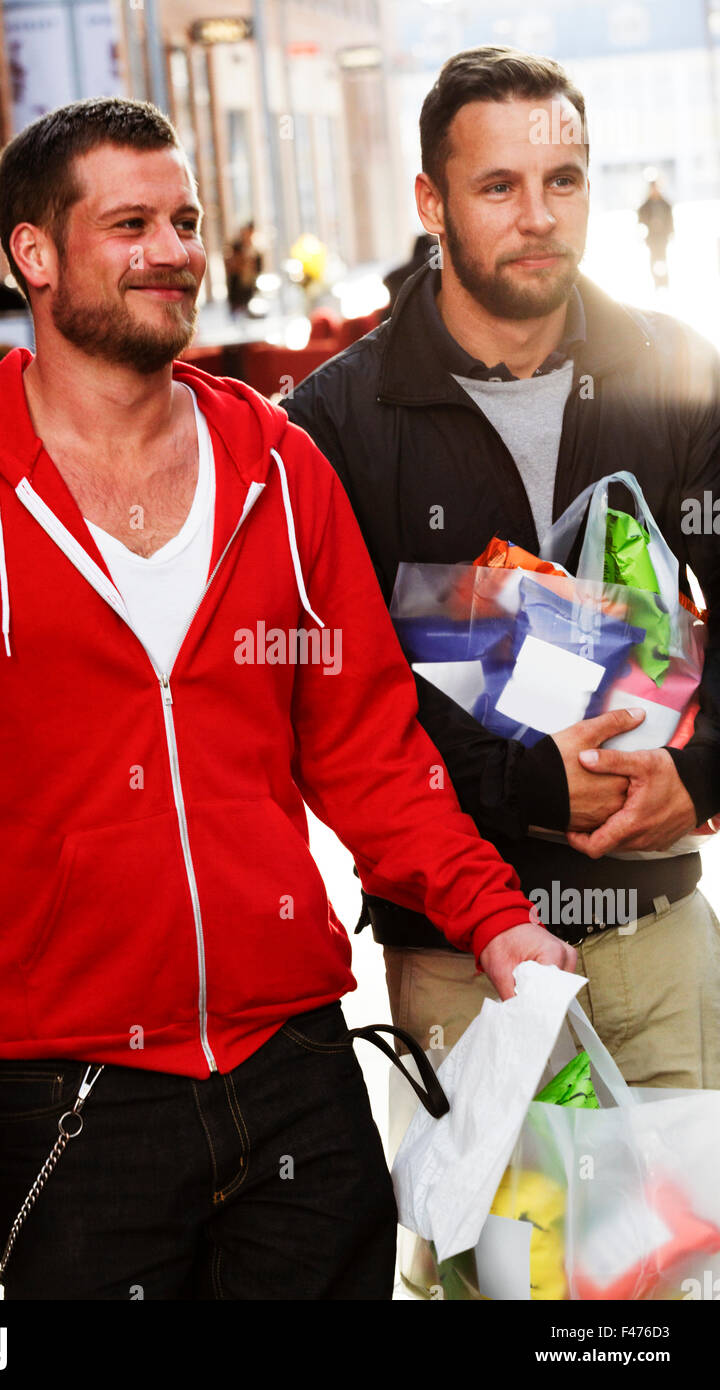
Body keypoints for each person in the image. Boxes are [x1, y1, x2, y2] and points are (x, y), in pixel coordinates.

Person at [0, 97, 571, 1302]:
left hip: (297, 1065)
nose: (175, 249)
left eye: (185, 219)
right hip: (74, 1097)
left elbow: (371, 754)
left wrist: (492, 915)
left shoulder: (281, 472)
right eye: (130, 222)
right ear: (34, 253)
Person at [287, 47, 720, 1117]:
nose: (538, 215)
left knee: (666, 1278)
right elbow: (333, 699)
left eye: (562, 181)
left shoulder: (676, 374)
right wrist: (517, 783)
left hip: (657, 937)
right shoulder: (333, 424)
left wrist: (704, 773)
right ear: (432, 201)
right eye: (500, 186)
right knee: (495, 1282)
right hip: (460, 965)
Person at [637, 179, 674, 290]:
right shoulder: (645, 206)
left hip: (663, 237)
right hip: (652, 237)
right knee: (654, 259)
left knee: (663, 259)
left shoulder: (665, 204)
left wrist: (670, 231)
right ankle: (657, 282)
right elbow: (640, 220)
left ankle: (664, 282)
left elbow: (670, 220)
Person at [224, 221, 262, 316]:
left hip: (249, 287)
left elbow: (258, 268)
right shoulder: (235, 247)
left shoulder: (255, 249)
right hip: (237, 288)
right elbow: (230, 265)